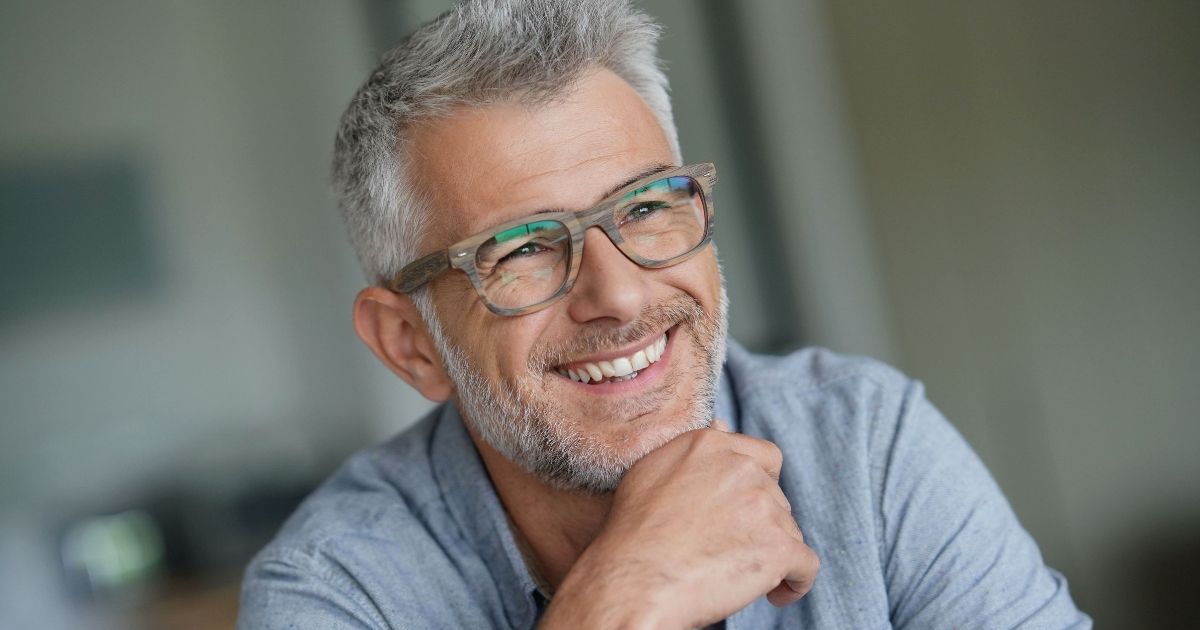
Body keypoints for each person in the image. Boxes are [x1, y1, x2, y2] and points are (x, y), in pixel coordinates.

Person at [238, 1, 1090, 627]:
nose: (620, 295)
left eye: (646, 207)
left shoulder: (866, 443)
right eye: (524, 247)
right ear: (409, 343)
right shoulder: (337, 591)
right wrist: (623, 600)